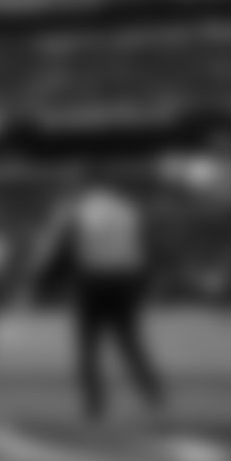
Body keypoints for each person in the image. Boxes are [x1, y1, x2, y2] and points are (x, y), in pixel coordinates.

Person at [34, 164, 166, 424]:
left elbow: (63, 248)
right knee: (129, 339)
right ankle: (151, 391)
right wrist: (147, 279)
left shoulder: (77, 209)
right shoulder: (128, 208)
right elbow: (146, 244)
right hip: (127, 279)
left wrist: (45, 283)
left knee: (87, 345)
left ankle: (94, 403)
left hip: (92, 279)